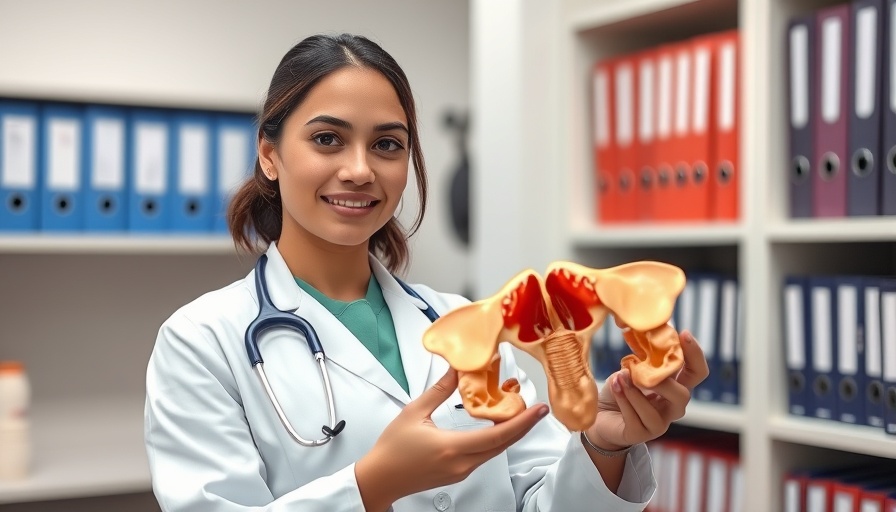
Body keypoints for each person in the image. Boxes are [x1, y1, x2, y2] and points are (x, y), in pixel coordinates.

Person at [143, 32, 709, 512]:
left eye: (387, 144)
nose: (360, 169)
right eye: (327, 139)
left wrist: (602, 449)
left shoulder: (465, 323)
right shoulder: (202, 342)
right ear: (269, 153)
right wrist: (369, 487)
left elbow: (538, 501)